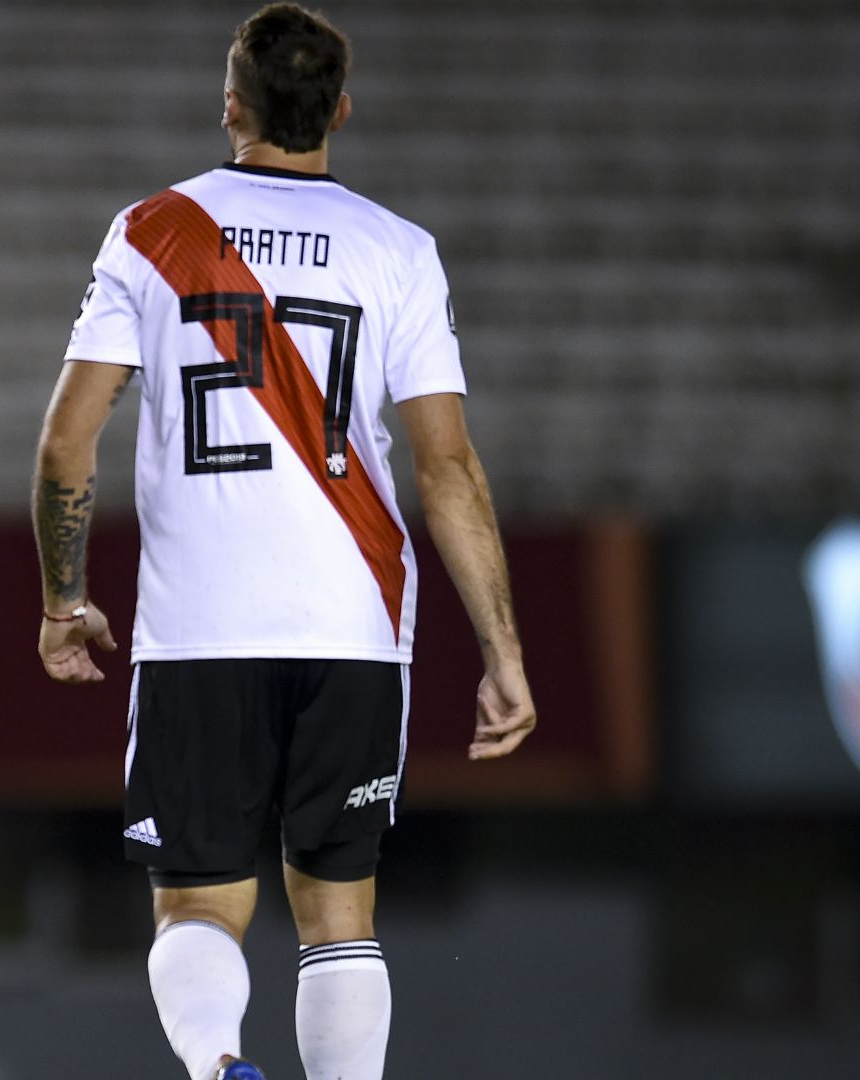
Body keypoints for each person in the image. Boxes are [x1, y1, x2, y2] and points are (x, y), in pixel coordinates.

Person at [31, 6, 537, 1079]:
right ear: (341, 111)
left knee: (197, 908)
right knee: (340, 911)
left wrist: (60, 599)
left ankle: (220, 1067)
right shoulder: (400, 250)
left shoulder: (149, 230)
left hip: (200, 630)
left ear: (232, 104)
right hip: (353, 624)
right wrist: (503, 653)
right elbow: (448, 468)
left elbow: (66, 444)